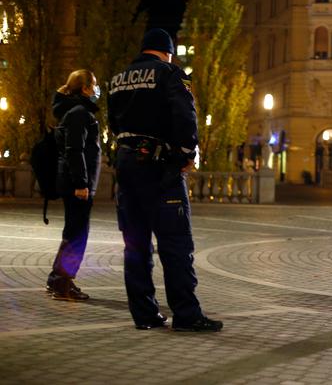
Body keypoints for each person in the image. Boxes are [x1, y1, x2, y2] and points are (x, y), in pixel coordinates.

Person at [107, 28, 222, 332]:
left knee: (136, 245)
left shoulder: (118, 79)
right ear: (168, 52)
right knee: (175, 244)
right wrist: (186, 154)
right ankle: (186, 314)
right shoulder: (169, 73)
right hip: (161, 169)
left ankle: (145, 314)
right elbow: (185, 114)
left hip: (127, 167)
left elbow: (112, 123)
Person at [47, 69, 101, 301]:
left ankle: (59, 280)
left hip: (75, 181)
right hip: (77, 183)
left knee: (74, 231)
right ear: (86, 87)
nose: (97, 90)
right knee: (77, 234)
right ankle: (62, 283)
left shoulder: (73, 111)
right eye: (95, 85)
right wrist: (81, 183)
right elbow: (74, 150)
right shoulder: (79, 112)